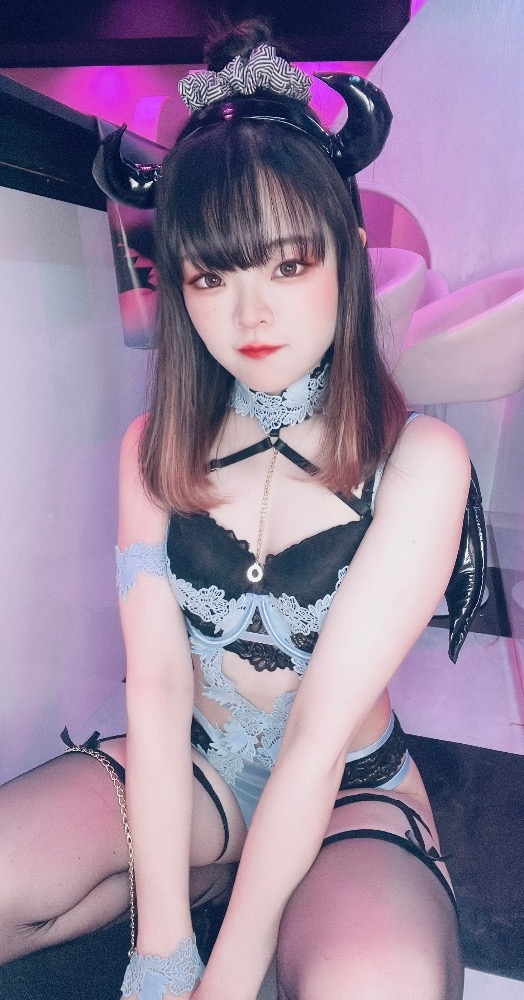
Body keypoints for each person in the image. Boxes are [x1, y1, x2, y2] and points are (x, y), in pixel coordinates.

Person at [0, 20, 477, 1000]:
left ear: (346, 258)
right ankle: (204, 880)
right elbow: (157, 688)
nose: (248, 313)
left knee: (371, 983)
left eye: (287, 266)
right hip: (199, 768)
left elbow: (315, 738)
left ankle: (269, 906)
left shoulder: (420, 462)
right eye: (212, 275)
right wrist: (162, 948)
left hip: (344, 790)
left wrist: (221, 983)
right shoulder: (151, 450)